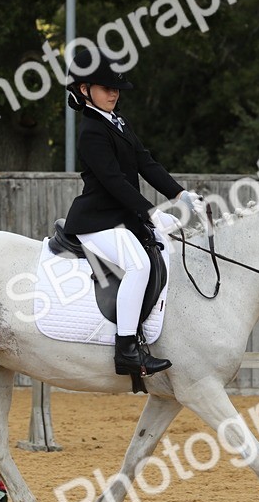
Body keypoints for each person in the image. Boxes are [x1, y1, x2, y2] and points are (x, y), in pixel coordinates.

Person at [62, 48, 205, 377]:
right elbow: (114, 181)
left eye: (116, 88)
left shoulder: (118, 122)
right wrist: (152, 213)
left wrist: (179, 194)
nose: (114, 94)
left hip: (121, 218)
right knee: (139, 266)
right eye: (106, 88)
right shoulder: (91, 131)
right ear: (84, 89)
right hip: (97, 220)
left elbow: (145, 162)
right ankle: (126, 349)